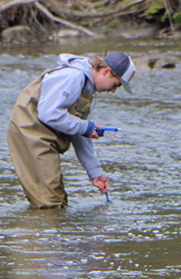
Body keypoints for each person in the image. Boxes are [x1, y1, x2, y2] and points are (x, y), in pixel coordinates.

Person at [7, 51, 136, 208]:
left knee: (58, 201)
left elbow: (78, 129)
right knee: (50, 203)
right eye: (116, 84)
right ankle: (38, 231)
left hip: (40, 135)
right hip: (29, 132)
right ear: (106, 71)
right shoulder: (74, 77)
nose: (114, 90)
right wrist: (85, 126)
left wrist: (95, 172)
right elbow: (49, 114)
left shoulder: (87, 87)